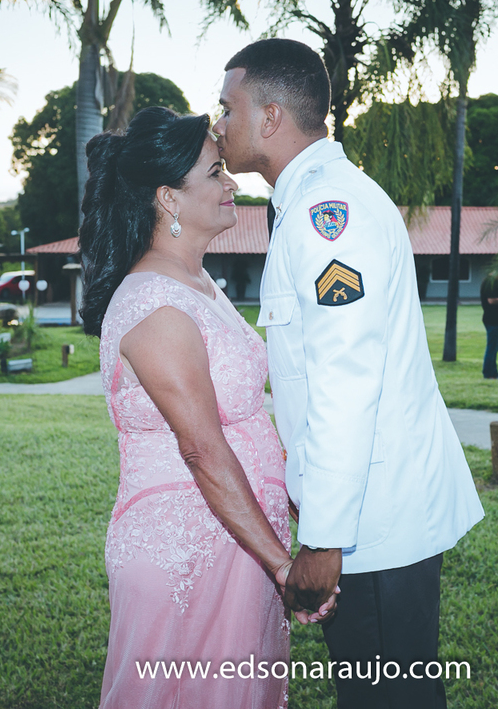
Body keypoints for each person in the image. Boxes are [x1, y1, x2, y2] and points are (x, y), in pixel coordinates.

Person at [213, 39, 484, 708]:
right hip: (369, 512)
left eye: (227, 106)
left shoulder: (325, 215)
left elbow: (344, 379)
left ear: (270, 117)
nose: (217, 123)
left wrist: (325, 538)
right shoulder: (310, 203)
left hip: (374, 525)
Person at [81, 106, 332, 709]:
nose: (232, 184)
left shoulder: (200, 284)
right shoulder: (153, 304)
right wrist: (282, 566)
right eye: (216, 172)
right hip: (188, 545)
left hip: (238, 533)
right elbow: (199, 445)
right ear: (169, 198)